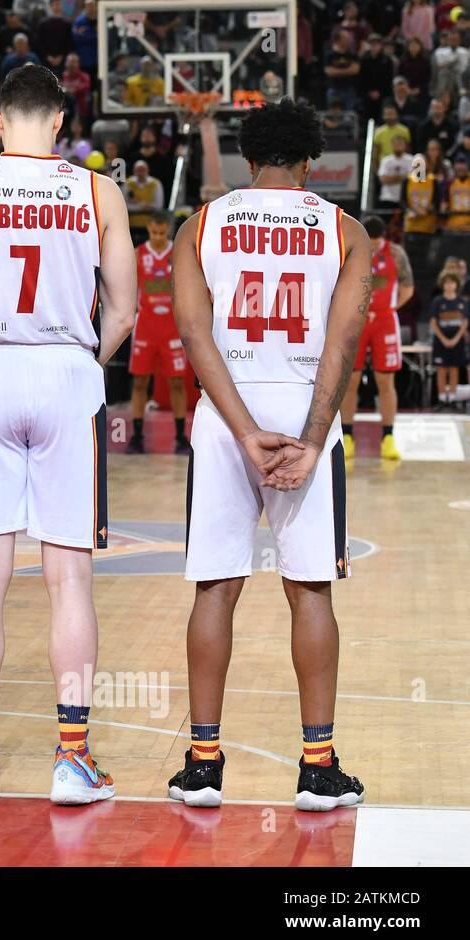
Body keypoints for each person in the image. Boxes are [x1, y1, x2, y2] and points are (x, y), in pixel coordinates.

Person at [0, 64, 137, 805]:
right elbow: (126, 310)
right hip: (66, 373)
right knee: (69, 577)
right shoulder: (96, 190)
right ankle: (72, 760)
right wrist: (80, 361)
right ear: (62, 123)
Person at [168, 99, 369, 812]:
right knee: (309, 587)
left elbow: (195, 338)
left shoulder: (201, 225)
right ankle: (317, 769)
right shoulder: (345, 231)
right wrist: (312, 440)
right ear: (311, 161)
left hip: (229, 413)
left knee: (216, 586)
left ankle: (202, 765)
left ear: (249, 161)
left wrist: (243, 429)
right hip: (303, 402)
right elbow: (344, 345)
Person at [341, 217, 414, 460]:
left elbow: (408, 288)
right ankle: (347, 435)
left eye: (376, 241)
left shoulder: (395, 253)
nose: (372, 246)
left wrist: (390, 307)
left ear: (384, 238)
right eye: (369, 241)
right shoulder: (351, 246)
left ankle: (389, 437)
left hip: (384, 321)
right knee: (350, 381)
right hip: (357, 320)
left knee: (385, 381)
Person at [126, 211, 189, 454]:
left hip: (172, 326)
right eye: (155, 232)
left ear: (169, 231)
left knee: (177, 382)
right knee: (140, 381)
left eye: (163, 232)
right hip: (146, 325)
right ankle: (137, 435)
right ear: (149, 229)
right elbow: (129, 287)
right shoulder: (138, 253)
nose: (159, 237)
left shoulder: (179, 252)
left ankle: (181, 437)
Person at [428, 270, 469, 402]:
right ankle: (442, 398)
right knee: (441, 369)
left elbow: (465, 322)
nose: (449, 285)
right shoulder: (438, 301)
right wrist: (443, 339)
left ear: (456, 285)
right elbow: (433, 322)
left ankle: (451, 398)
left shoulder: (462, 301)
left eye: (452, 283)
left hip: (457, 340)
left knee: (454, 368)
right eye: (446, 283)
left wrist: (457, 338)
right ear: (443, 285)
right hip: (441, 340)